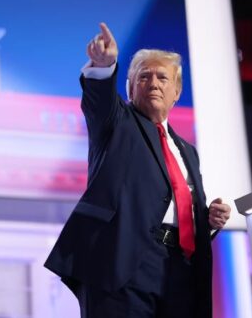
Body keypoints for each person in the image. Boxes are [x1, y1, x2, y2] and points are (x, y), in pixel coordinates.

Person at [45, 23, 231, 317]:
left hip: (179, 269)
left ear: (177, 91)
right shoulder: (117, 123)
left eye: (162, 78)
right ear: (131, 88)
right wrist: (104, 66)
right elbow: (99, 100)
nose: (154, 83)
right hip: (122, 264)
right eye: (144, 77)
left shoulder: (188, 152)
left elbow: (175, 205)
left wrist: (207, 222)